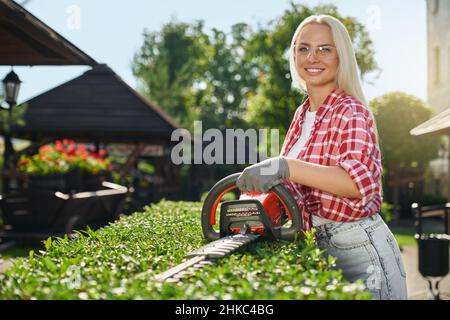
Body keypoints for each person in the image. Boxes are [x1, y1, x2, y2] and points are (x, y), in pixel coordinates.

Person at [236, 14, 407, 300]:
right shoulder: (302, 115)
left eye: (324, 49)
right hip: (319, 247)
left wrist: (285, 166)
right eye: (303, 48)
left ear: (341, 56)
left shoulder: (351, 111)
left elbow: (355, 184)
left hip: (360, 250)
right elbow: (298, 189)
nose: (312, 57)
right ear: (294, 56)